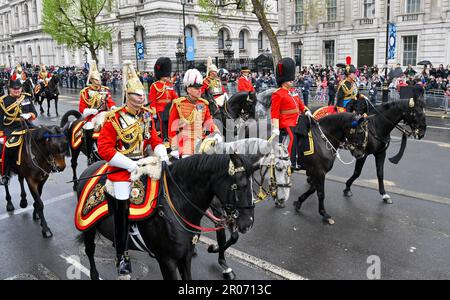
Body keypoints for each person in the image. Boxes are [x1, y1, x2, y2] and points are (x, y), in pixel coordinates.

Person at [97, 60, 169, 277]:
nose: (142, 97)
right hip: (122, 169)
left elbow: (154, 138)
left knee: (164, 193)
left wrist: (162, 154)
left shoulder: (147, 115)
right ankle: (121, 254)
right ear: (127, 95)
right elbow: (104, 149)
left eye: (142, 94)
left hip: (144, 164)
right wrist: (130, 165)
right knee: (122, 207)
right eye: (137, 94)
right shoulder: (113, 118)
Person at [168, 68, 223, 158]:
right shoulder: (178, 104)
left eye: (200, 88)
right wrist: (174, 147)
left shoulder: (204, 104)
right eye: (196, 88)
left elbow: (209, 122)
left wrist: (217, 133)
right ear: (188, 89)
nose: (200, 90)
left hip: (201, 141)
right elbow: (172, 128)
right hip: (185, 143)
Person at [271, 57, 312, 170]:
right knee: (293, 137)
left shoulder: (293, 92)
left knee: (307, 134)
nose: (291, 81)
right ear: (283, 81)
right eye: (289, 80)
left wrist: (306, 110)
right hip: (286, 121)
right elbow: (274, 113)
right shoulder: (278, 94)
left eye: (291, 80)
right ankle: (290, 161)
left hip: (297, 119)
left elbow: (300, 104)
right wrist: (275, 127)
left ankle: (303, 159)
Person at [0, 79, 37, 185]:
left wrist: (30, 115)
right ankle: (6, 174)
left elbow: (34, 112)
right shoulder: (3, 101)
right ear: (9, 89)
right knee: (7, 147)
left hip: (27, 125)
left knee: (42, 137)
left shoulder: (26, 97)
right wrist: (1, 133)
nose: (16, 91)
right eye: (14, 89)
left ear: (21, 88)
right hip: (11, 127)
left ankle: (48, 163)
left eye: (18, 88)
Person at [79, 60, 116, 165]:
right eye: (96, 79)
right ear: (91, 80)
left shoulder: (104, 90)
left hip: (104, 114)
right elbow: (82, 109)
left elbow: (110, 101)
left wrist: (113, 107)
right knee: (89, 127)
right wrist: (91, 110)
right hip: (91, 117)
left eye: (99, 79)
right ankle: (90, 154)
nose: (99, 81)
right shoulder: (85, 92)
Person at [148, 57, 178, 144]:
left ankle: (171, 137)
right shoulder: (155, 86)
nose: (167, 77)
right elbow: (152, 100)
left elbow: (174, 96)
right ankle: (163, 138)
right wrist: (154, 111)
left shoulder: (170, 85)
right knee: (162, 126)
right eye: (165, 75)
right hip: (160, 109)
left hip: (170, 108)